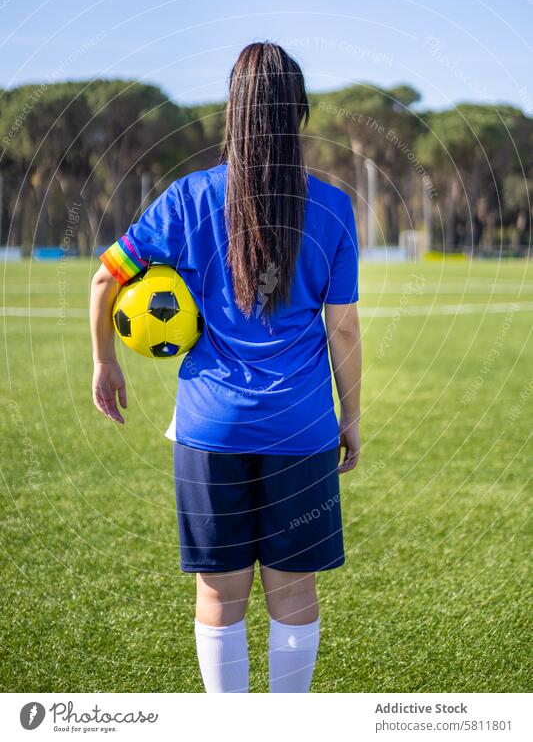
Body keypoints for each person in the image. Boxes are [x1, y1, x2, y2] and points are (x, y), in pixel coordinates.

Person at [90, 42, 362, 693]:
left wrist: (105, 362)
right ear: (297, 110)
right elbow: (343, 325)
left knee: (219, 599)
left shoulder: (186, 198)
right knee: (293, 597)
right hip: (301, 429)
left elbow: (106, 277)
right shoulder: (331, 205)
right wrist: (349, 416)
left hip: (209, 432)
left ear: (231, 113)